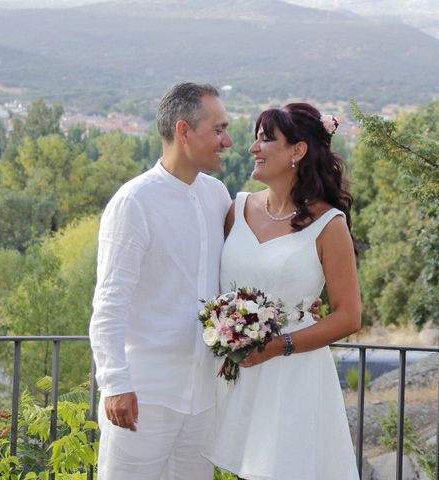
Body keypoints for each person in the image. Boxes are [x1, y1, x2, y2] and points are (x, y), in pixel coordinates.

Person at [204, 103, 361, 479]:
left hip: (293, 373)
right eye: (255, 139)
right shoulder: (235, 208)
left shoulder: (328, 223)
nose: (253, 148)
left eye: (265, 139)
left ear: (298, 150)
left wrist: (278, 346)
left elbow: (348, 315)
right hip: (235, 371)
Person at [88, 82, 233, 479]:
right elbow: (109, 302)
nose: (228, 140)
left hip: (203, 397)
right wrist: (115, 383)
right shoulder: (134, 202)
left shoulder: (218, 195)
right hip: (143, 397)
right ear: (184, 131)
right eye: (218, 130)